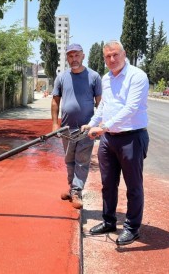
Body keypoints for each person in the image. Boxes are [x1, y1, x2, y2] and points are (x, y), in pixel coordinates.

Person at [81, 40, 149, 245]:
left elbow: (131, 109)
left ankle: (132, 227)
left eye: (115, 55)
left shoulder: (137, 76)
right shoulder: (106, 78)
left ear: (124, 54)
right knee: (108, 184)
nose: (112, 59)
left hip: (131, 138)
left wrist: (103, 127)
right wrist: (91, 123)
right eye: (107, 56)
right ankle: (109, 221)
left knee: (133, 186)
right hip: (109, 140)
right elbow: (103, 107)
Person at [51, 43, 102, 209]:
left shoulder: (94, 77)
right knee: (69, 160)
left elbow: (100, 103)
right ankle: (72, 187)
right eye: (70, 56)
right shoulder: (62, 77)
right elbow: (55, 101)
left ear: (83, 56)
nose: (74, 59)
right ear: (67, 58)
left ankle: (77, 191)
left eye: (77, 55)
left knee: (82, 160)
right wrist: (54, 124)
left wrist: (97, 125)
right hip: (66, 129)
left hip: (86, 129)